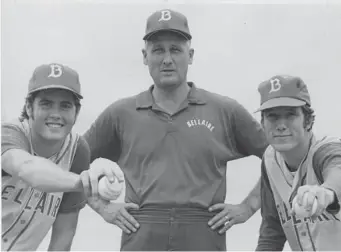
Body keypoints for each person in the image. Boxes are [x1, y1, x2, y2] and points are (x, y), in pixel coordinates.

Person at [83, 9, 268, 251]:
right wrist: (102, 207)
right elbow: (71, 160)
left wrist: (248, 207)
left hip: (204, 232)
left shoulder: (224, 110)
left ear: (190, 55)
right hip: (141, 231)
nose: (167, 59)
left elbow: (278, 158)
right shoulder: (121, 114)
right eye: (158, 50)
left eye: (176, 49)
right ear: (144, 56)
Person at [1, 63, 115, 251]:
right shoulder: (7, 134)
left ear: (76, 112)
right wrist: (83, 182)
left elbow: (63, 237)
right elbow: (28, 169)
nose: (55, 114)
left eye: (65, 106)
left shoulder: (77, 151)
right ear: (29, 107)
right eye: (46, 104)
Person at [255, 75, 341, 251]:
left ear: (308, 120)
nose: (281, 125)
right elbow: (272, 230)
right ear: (263, 123)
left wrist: (327, 191)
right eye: (272, 117)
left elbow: (337, 168)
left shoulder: (326, 150)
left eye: (290, 115)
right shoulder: (270, 160)